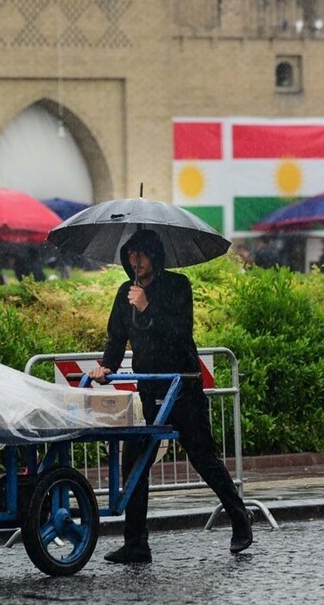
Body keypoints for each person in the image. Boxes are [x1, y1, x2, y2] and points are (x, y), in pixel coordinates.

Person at [89, 229, 252, 563]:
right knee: (135, 461)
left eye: (143, 255)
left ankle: (240, 519)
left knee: (202, 458)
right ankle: (136, 543)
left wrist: (148, 307)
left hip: (184, 388)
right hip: (150, 390)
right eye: (131, 255)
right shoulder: (125, 293)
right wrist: (106, 366)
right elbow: (117, 338)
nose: (137, 262)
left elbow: (180, 334)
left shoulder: (178, 286)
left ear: (156, 256)